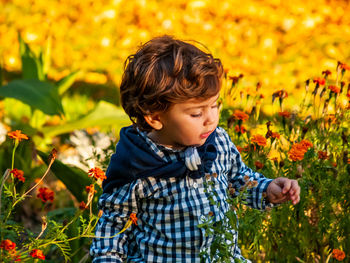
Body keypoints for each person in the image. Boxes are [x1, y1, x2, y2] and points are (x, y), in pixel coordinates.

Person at [90, 35, 300, 262]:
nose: (210, 119)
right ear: (155, 117)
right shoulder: (137, 164)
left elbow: (238, 178)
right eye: (196, 113)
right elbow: (113, 224)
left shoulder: (217, 142)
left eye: (214, 105)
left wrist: (267, 189)